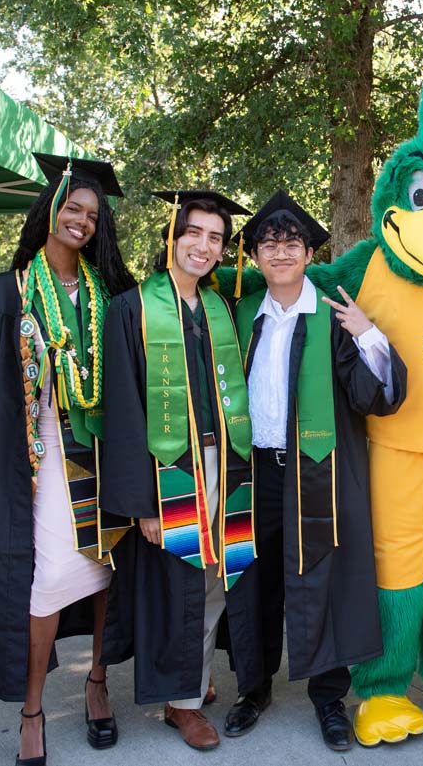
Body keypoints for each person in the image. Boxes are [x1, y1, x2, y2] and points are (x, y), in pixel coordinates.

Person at [0, 153, 136, 766]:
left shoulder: (109, 294)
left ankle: (97, 683)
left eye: (91, 214)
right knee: (52, 576)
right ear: (51, 211)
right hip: (44, 452)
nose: (80, 220)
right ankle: (32, 709)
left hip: (105, 449)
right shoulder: (11, 291)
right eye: (72, 208)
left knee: (109, 565)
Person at [224, 190, 406, 751]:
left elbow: (377, 397)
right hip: (253, 474)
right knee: (252, 578)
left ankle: (330, 699)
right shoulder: (238, 317)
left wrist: (368, 334)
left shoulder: (330, 319)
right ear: (254, 254)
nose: (281, 252)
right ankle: (253, 688)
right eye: (269, 243)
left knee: (324, 578)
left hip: (318, 474)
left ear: (309, 254)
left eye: (292, 243)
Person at [98, 190, 262, 752]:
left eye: (215, 237)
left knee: (218, 574)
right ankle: (181, 702)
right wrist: (143, 500)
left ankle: (192, 682)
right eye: (194, 232)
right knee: (179, 583)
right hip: (170, 473)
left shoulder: (221, 310)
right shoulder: (133, 310)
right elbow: (122, 409)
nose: (204, 245)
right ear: (173, 235)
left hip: (226, 463)